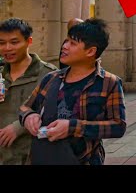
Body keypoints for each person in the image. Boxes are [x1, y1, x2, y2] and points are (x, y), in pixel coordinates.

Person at [19, 18, 126, 165]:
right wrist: (28, 117)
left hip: (83, 159)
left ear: (91, 51)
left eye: (73, 43)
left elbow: (118, 126)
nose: (64, 46)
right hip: (43, 157)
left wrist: (72, 127)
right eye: (66, 41)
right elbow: (26, 107)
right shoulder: (51, 78)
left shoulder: (109, 82)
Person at [0, 18, 58, 165]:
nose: (7, 48)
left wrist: (20, 126)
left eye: (14, 42)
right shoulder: (1, 75)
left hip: (32, 155)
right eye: (1, 43)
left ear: (28, 41)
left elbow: (58, 112)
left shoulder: (49, 75)